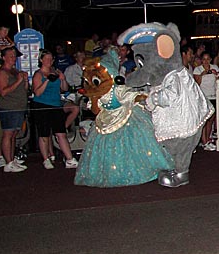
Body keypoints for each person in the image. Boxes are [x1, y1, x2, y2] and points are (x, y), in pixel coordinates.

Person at [74, 48, 174, 188]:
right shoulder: (96, 93)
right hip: (105, 120)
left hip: (125, 118)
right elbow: (96, 111)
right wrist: (95, 98)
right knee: (108, 149)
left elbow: (132, 96)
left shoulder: (118, 89)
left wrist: (142, 97)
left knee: (132, 144)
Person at [30, 49, 78, 169]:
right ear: (41, 60)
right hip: (42, 105)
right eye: (46, 59)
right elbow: (37, 92)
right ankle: (46, 159)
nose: (49, 61)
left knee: (61, 133)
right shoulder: (38, 74)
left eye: (51, 59)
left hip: (56, 105)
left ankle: (69, 159)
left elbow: (64, 89)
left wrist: (62, 79)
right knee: (44, 134)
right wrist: (47, 81)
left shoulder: (56, 71)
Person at [0, 46, 29, 172]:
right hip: (8, 107)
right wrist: (18, 81)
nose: (13, 58)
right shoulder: (2, 72)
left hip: (19, 106)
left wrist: (24, 81)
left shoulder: (15, 71)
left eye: (14, 56)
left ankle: (12, 158)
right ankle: (8, 163)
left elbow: (24, 89)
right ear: (3, 58)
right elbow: (3, 92)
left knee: (13, 134)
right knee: (7, 134)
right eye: (10, 56)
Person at [193, 52, 219, 151]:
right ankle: (204, 141)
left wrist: (215, 74)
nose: (206, 61)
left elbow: (218, 79)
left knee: (211, 120)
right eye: (204, 59)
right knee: (204, 120)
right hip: (203, 97)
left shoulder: (214, 67)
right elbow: (196, 83)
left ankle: (207, 139)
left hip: (213, 96)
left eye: (207, 59)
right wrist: (202, 74)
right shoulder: (198, 69)